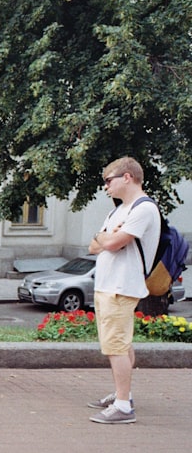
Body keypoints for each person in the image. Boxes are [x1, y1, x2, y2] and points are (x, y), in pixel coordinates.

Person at [86, 156, 161, 424]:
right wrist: (104, 238)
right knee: (121, 343)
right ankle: (123, 395)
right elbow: (93, 246)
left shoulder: (143, 209)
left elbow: (113, 243)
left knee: (115, 345)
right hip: (108, 284)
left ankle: (123, 406)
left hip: (121, 286)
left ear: (127, 177)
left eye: (109, 180)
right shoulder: (117, 211)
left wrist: (106, 238)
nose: (106, 187)